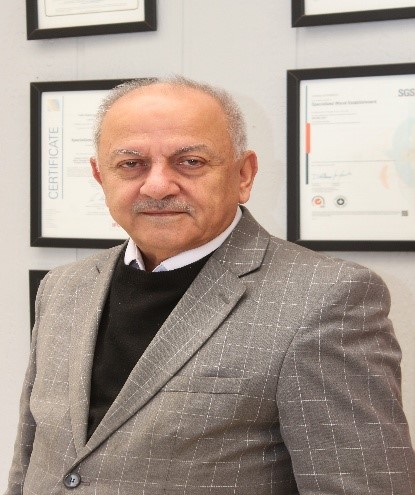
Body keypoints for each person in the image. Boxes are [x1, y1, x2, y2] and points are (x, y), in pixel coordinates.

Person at [5, 76, 415, 495]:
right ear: (99, 175)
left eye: (190, 162)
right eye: (131, 164)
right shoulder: (63, 287)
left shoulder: (326, 299)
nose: (157, 185)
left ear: (244, 175)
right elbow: (28, 461)